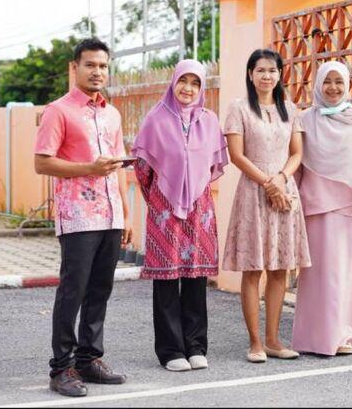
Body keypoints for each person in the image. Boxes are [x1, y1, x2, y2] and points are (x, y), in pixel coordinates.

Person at [34, 38, 134, 398]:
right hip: (77, 216)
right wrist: (89, 168)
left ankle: (89, 359)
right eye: (90, 65)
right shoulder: (58, 111)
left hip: (111, 215)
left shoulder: (112, 114)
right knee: (72, 291)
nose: (97, 72)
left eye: (103, 66)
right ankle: (61, 368)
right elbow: (42, 162)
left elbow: (119, 165)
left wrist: (126, 213)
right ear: (74, 68)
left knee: (100, 290)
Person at [132, 59, 229, 372]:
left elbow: (214, 166)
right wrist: (161, 199)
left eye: (195, 83)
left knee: (196, 278)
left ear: (202, 88)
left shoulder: (209, 121)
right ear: (173, 82)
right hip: (164, 208)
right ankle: (171, 350)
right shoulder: (155, 119)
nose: (188, 88)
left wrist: (193, 189)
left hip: (200, 209)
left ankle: (196, 346)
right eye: (183, 81)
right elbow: (143, 168)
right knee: (166, 279)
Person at [222, 48, 311, 363]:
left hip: (284, 193)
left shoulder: (290, 109)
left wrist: (281, 179)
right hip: (253, 192)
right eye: (260, 70)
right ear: (250, 74)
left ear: (279, 74)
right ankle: (255, 342)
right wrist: (268, 183)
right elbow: (236, 155)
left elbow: (297, 153)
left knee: (279, 268)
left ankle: (274, 340)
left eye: (272, 70)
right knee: (253, 269)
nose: (266, 76)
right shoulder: (239, 108)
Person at [291, 61, 352, 356]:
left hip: (348, 208)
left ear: (348, 85)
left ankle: (343, 334)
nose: (333, 88)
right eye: (327, 81)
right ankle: (315, 337)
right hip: (315, 206)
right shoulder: (304, 121)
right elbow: (296, 164)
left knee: (344, 273)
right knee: (318, 276)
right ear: (318, 84)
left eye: (339, 81)